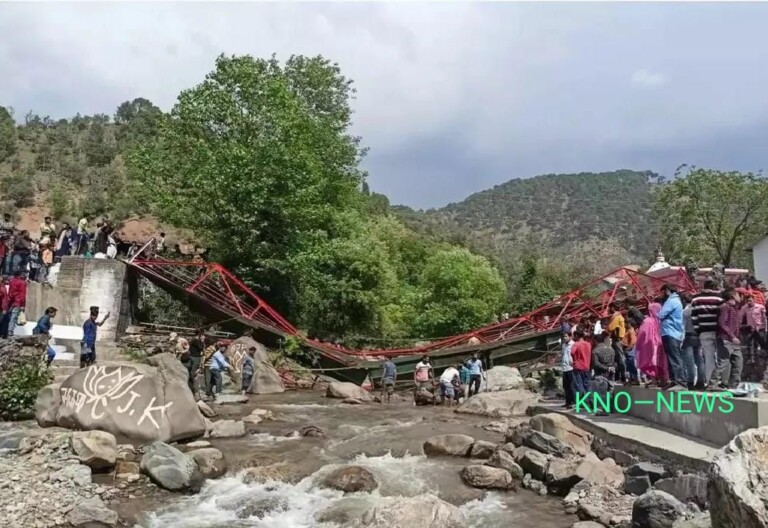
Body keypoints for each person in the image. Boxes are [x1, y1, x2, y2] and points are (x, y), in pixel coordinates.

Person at [691, 279, 724, 387]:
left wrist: (698, 330)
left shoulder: (696, 299)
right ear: (714, 287)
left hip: (704, 331)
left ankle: (710, 381)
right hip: (718, 331)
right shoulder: (719, 298)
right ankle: (721, 381)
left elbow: (694, 317)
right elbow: (722, 316)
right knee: (721, 356)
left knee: (708, 357)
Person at [658, 284, 685, 389]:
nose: (662, 294)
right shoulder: (675, 300)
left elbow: (660, 315)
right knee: (671, 358)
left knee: (675, 358)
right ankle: (674, 381)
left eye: (662, 292)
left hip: (671, 332)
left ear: (667, 291)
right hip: (672, 333)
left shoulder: (671, 301)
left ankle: (680, 382)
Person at [635, 303, 668, 387]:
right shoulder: (662, 320)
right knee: (661, 363)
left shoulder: (647, 321)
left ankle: (653, 381)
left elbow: (642, 333)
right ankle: (663, 380)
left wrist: (639, 345)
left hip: (650, 346)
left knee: (651, 363)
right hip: (661, 344)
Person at [717, 288, 743, 389]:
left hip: (734, 339)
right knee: (724, 362)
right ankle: (714, 383)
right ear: (732, 296)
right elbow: (722, 323)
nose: (739, 297)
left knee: (738, 362)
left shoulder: (734, 307)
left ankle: (734, 385)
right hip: (726, 339)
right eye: (737, 294)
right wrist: (732, 336)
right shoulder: (725, 307)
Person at [681, 293, 704, 390]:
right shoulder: (699, 310)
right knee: (699, 360)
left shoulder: (685, 311)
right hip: (699, 336)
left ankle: (690, 381)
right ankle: (701, 381)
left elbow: (682, 326)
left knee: (689, 361)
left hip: (688, 336)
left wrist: (681, 340)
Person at [738, 294, 766, 364]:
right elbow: (740, 316)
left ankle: (763, 355)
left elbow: (764, 318)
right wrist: (739, 325)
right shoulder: (744, 308)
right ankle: (751, 358)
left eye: (750, 300)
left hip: (760, 328)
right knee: (750, 343)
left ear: (754, 300)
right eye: (747, 301)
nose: (749, 302)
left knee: (762, 342)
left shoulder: (760, 307)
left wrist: (764, 327)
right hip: (750, 328)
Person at [569, 330, 592, 399]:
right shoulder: (588, 344)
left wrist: (574, 359)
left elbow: (572, 352)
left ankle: (582, 401)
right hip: (586, 366)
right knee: (587, 385)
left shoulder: (576, 344)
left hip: (578, 367)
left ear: (576, 336)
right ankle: (591, 400)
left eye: (573, 335)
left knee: (578, 385)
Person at [6, 270, 27, 338]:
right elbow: (22, 294)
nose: (25, 275)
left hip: (10, 301)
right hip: (18, 302)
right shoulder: (22, 283)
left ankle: (5, 330)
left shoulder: (11, 281)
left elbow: (11, 292)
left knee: (8, 316)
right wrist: (23, 305)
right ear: (20, 275)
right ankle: (10, 331)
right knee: (14, 317)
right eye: (24, 274)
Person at [186, 330, 207, 394]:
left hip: (192, 356)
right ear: (199, 335)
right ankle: (194, 387)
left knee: (192, 371)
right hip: (195, 357)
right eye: (203, 335)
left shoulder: (193, 340)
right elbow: (200, 348)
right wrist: (202, 342)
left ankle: (191, 385)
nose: (204, 337)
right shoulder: (196, 340)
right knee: (194, 372)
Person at [561, 332, 575, 408]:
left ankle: (572, 401)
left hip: (571, 368)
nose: (564, 338)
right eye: (564, 336)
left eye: (566, 336)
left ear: (570, 337)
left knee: (571, 386)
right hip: (564, 368)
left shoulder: (573, 344)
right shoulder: (563, 345)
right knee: (565, 386)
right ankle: (567, 401)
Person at [622, 319, 639, 384]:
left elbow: (633, 341)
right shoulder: (628, 331)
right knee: (629, 365)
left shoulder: (631, 331)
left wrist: (629, 348)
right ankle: (631, 379)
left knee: (631, 365)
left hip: (630, 350)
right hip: (627, 349)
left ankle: (635, 379)